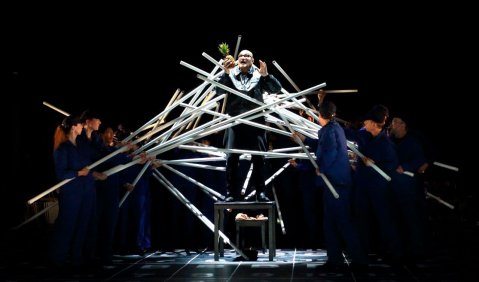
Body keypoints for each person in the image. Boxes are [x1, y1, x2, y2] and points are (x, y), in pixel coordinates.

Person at [293, 101, 366, 269]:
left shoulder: (330, 130)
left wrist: (322, 168)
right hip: (335, 182)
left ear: (320, 115)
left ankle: (359, 259)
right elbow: (323, 146)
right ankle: (335, 259)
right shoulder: (334, 128)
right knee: (331, 222)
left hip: (336, 182)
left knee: (342, 221)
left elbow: (330, 151)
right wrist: (303, 139)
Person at [216, 49, 282, 202]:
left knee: (259, 159)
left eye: (247, 56)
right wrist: (225, 74)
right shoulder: (231, 74)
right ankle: (231, 193)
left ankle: (260, 192)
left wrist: (266, 75)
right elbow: (218, 91)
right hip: (235, 121)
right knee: (231, 158)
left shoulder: (259, 76)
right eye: (241, 56)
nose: (243, 58)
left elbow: (276, 89)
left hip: (255, 122)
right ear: (237, 59)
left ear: (253, 60)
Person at [49, 115, 106, 269]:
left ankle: (77, 259)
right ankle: (58, 260)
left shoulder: (81, 145)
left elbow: (89, 164)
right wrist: (77, 173)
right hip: (72, 194)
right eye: (80, 124)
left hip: (87, 191)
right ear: (73, 127)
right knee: (67, 226)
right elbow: (61, 174)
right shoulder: (62, 148)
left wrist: (94, 173)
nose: (82, 126)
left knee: (83, 225)